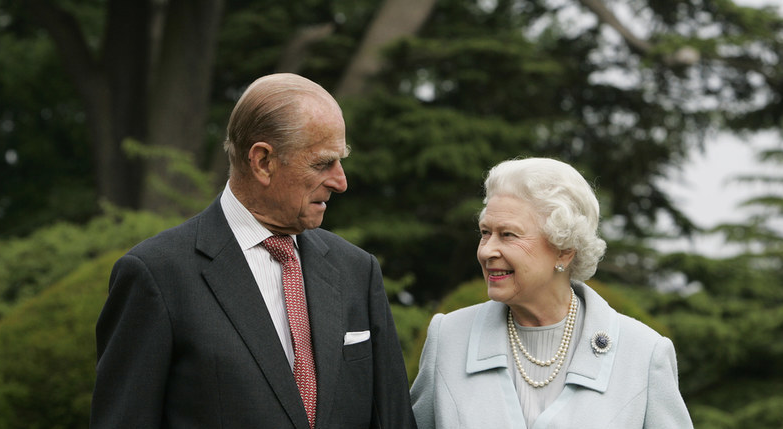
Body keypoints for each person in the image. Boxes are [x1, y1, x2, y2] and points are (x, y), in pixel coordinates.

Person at [90, 73, 417, 429]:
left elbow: (393, 419)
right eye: (323, 163)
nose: (341, 182)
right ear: (262, 162)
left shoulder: (357, 270)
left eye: (341, 161)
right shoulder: (157, 274)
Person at [410, 157, 693, 428]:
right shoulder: (448, 338)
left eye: (508, 235)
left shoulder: (643, 354)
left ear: (564, 250)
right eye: (485, 232)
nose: (486, 251)